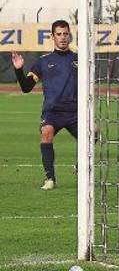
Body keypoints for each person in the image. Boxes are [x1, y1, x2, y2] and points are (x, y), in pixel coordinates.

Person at [11, 20, 78, 190]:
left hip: (75, 112)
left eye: (65, 34)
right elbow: (26, 88)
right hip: (52, 113)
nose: (62, 37)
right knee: (46, 132)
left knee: (95, 132)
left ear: (70, 35)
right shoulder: (43, 62)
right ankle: (50, 179)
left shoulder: (80, 59)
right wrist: (19, 70)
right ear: (52, 37)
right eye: (59, 34)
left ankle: (80, 166)